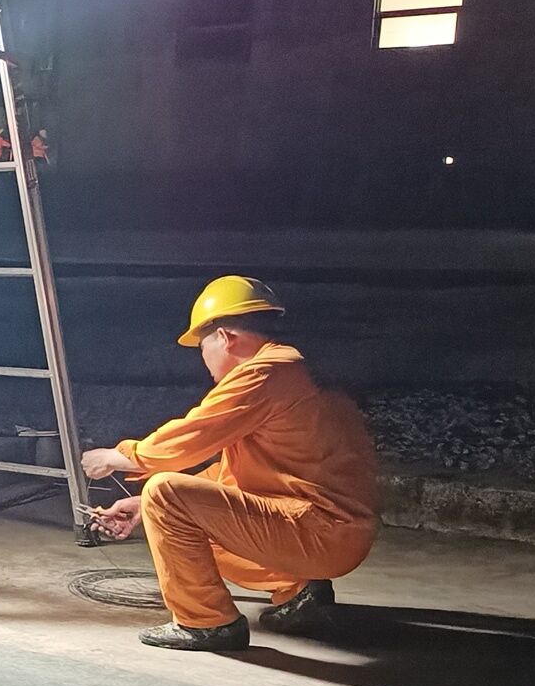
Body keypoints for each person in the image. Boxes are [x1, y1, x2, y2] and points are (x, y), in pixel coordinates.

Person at [81, 276, 379, 652]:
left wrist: (121, 455)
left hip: (321, 532)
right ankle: (300, 591)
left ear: (225, 337)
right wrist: (145, 507)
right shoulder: (293, 368)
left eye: (202, 347)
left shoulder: (265, 372)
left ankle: (207, 623)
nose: (203, 359)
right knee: (172, 512)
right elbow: (233, 474)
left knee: (164, 490)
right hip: (329, 529)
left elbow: (193, 433)